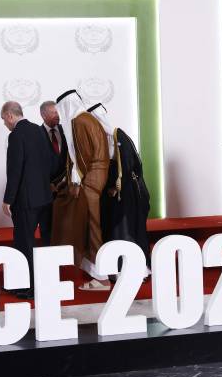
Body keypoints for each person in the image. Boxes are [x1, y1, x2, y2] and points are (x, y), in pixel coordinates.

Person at [50, 90, 111, 291]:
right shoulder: (87, 119)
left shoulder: (79, 122)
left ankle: (101, 277)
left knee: (92, 228)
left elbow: (83, 158)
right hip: (96, 177)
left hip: (91, 179)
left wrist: (80, 183)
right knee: (89, 226)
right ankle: (97, 272)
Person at [1, 101, 53, 299]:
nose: (5, 124)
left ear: (10, 115)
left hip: (25, 200)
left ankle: (29, 286)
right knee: (44, 244)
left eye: (4, 119)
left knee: (24, 243)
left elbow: (15, 170)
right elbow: (50, 162)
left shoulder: (16, 135)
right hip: (45, 197)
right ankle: (41, 283)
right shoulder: (39, 131)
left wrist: (8, 199)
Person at [95, 104, 151, 256]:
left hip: (125, 192)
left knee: (125, 229)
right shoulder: (102, 139)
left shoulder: (118, 136)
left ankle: (130, 262)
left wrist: (116, 186)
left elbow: (128, 165)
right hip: (111, 194)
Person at [37, 100, 68, 246]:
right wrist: (46, 184)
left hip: (66, 187)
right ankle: (48, 253)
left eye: (58, 112)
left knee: (66, 224)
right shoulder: (36, 134)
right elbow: (35, 164)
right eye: (53, 112)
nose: (58, 115)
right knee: (47, 225)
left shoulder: (66, 130)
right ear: (43, 115)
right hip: (46, 189)